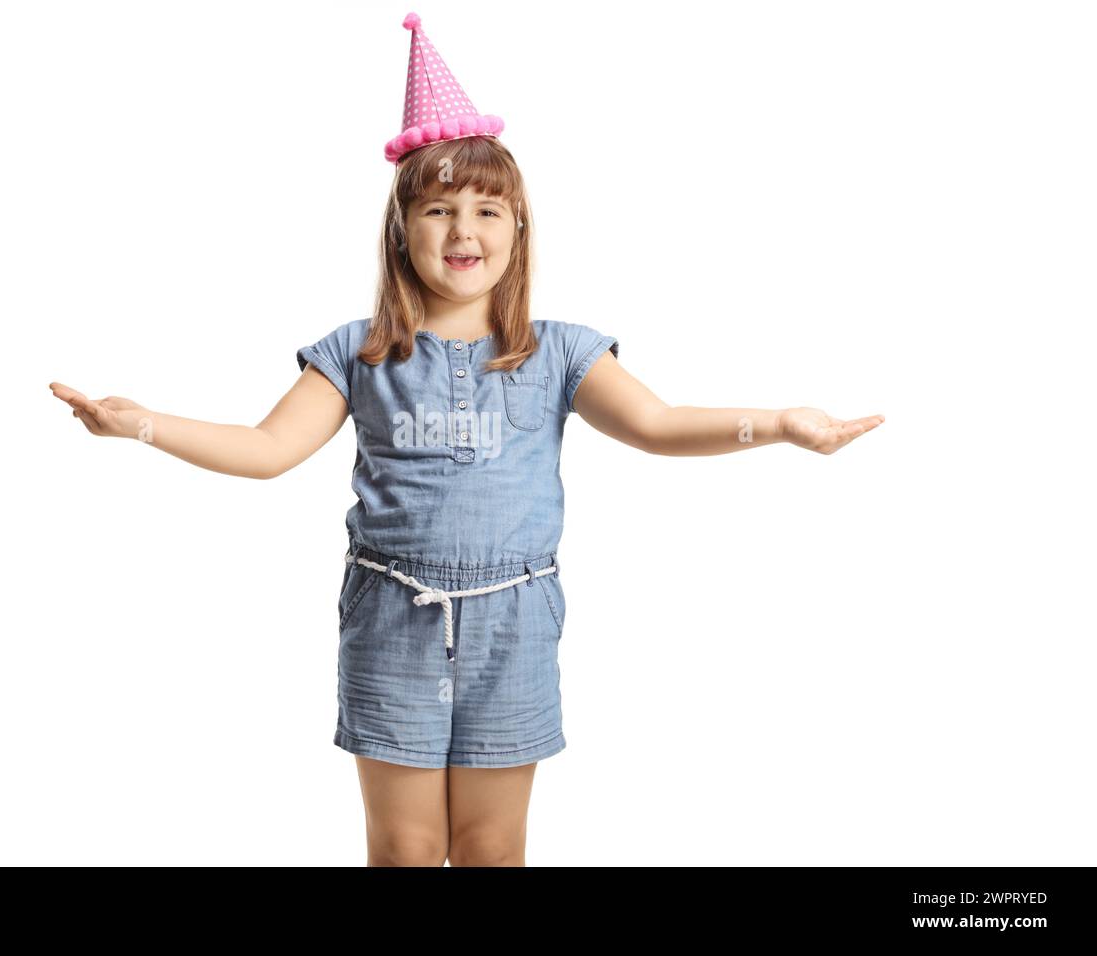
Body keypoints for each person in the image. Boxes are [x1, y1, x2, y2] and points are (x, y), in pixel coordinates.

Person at [48, 12, 884, 867]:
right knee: (406, 849)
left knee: (490, 847)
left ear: (517, 228)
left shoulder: (558, 350)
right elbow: (267, 448)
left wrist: (779, 425)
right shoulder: (359, 352)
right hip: (392, 613)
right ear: (402, 231)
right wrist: (142, 426)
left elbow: (657, 425)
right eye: (439, 209)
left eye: (489, 209)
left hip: (514, 618)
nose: (464, 231)